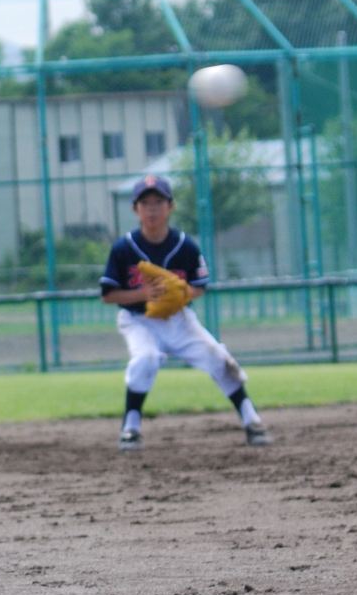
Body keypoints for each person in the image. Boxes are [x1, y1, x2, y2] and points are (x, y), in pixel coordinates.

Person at [100, 175, 270, 450]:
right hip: (139, 320)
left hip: (179, 320)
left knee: (218, 357)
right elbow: (108, 295)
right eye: (145, 203)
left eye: (159, 202)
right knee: (146, 358)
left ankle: (252, 422)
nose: (152, 208)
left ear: (171, 207)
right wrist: (142, 295)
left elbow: (199, 286)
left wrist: (178, 294)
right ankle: (130, 427)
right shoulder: (123, 248)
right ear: (135, 209)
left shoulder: (185, 245)